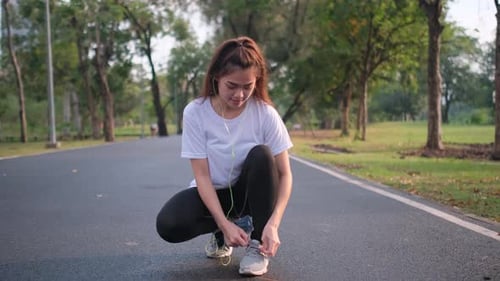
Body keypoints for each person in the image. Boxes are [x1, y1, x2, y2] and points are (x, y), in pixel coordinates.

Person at [156, 36, 293, 276]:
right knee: (168, 224)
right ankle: (224, 232)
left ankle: (257, 244)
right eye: (232, 85)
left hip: (249, 196)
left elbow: (284, 174)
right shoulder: (196, 112)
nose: (240, 95)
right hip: (215, 195)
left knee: (262, 155)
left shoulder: (265, 113)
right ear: (216, 77)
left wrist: (273, 224)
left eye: (247, 86)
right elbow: (202, 176)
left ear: (256, 81)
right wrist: (223, 223)